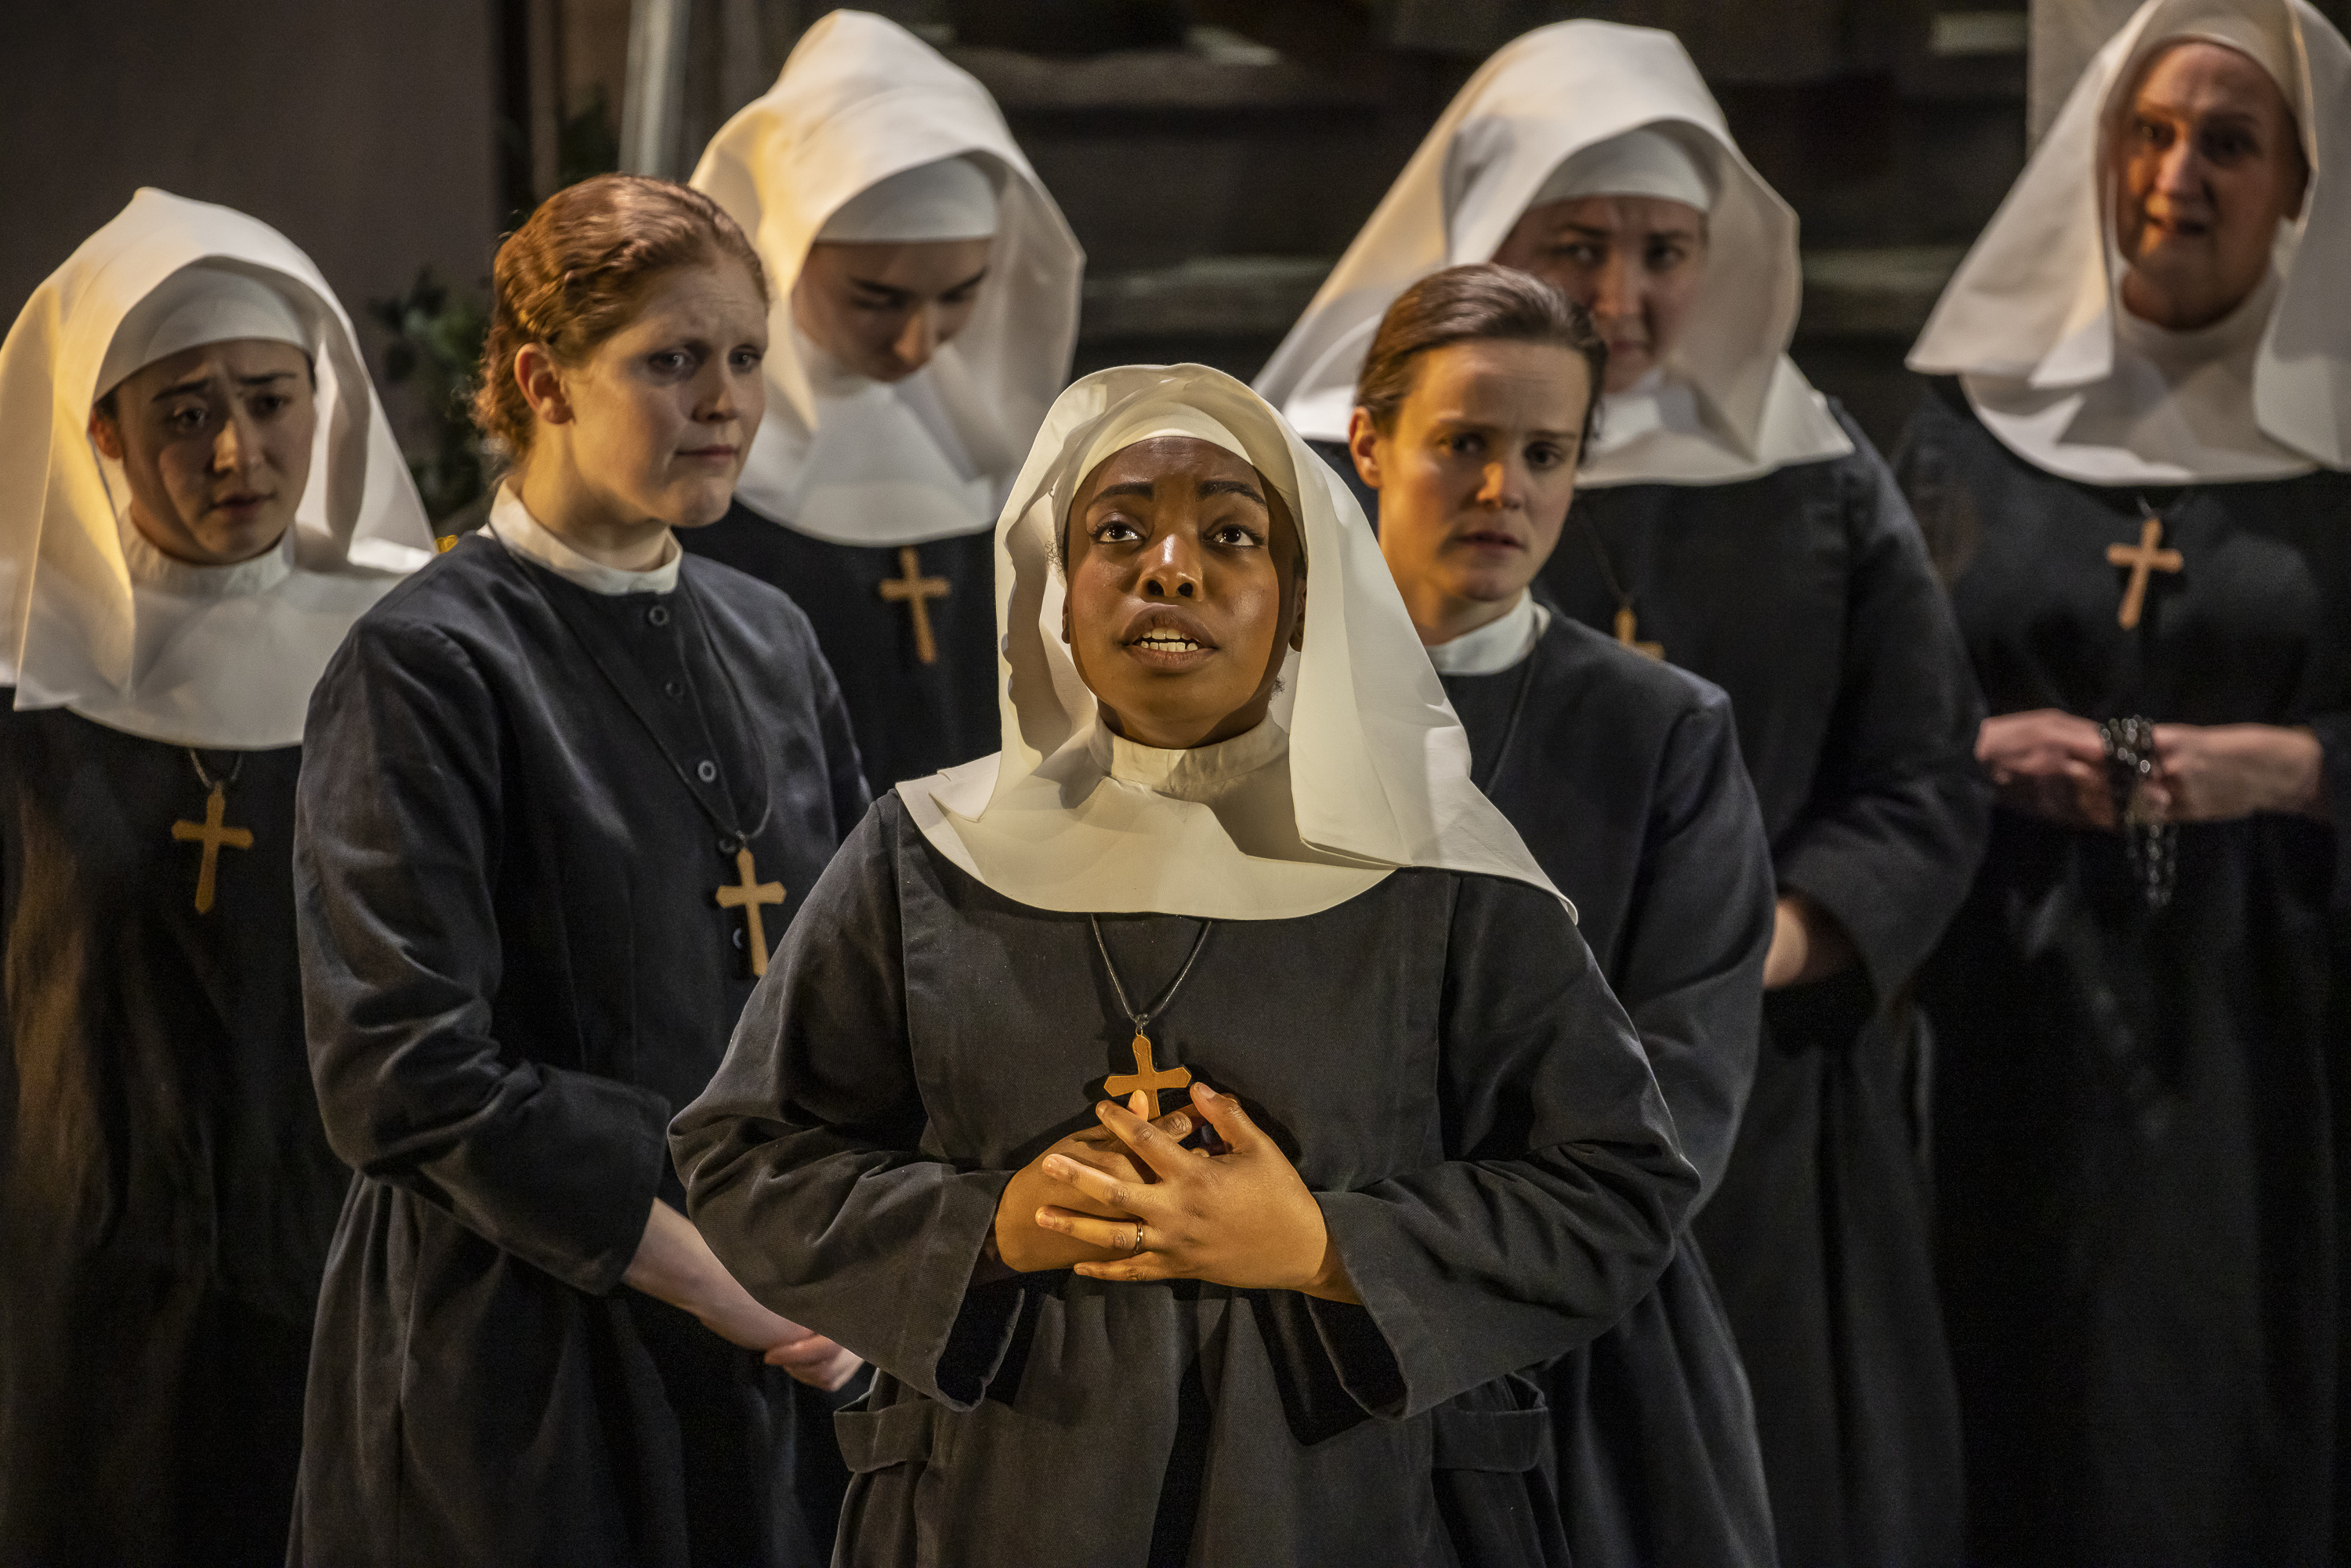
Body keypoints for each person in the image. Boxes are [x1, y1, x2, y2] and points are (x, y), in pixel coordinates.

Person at [670, 362, 1699, 1567]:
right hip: (1000, 1500)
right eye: (1119, 530)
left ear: (1301, 596)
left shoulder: (1440, 870)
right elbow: (744, 1160)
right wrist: (991, 1222)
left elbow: (1618, 1188)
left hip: (1351, 1504)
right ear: (1057, 578)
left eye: (1229, 532)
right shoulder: (927, 855)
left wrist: (1322, 1246)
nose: (1170, 567)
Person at [1259, 24, 1990, 1566]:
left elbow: (1919, 776)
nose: (1622, 296)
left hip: (1752, 1103)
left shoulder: (1818, 469)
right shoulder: (1321, 480)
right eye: (1574, 246)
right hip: (1426, 1118)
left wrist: (1750, 944)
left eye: (1666, 251)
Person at [288, 174, 869, 1567]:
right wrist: (731, 1284)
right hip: (517, 1361)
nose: (724, 400)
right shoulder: (427, 661)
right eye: (672, 361)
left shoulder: (773, 638)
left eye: (742, 357)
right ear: (543, 379)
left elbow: (864, 970)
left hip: (764, 1342)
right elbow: (402, 1074)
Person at [1896, 1, 2351, 1559]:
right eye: (2146, 136)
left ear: (2302, 181)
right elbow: (1874, 713)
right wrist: (1980, 754)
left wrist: (2283, 766)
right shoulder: (1968, 426)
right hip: (2004, 991)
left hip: (2279, 1013)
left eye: (2229, 143)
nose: (2178, 176)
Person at [0, 188, 434, 1566]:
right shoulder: (23, 676)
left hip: (353, 1244)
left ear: (328, 400)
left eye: (270, 397)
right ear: (102, 432)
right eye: (185, 411)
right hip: (84, 1252)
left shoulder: (410, 647)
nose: (239, 449)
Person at [1352, 262, 1777, 1564]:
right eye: (1465, 445)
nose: (1505, 491)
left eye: (1546, 452)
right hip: (1305, 1336)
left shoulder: (1664, 734)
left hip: (1585, 1355)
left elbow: (1677, 1099)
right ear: (1369, 441)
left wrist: (1427, 1256)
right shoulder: (1254, 711)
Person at [682, 9, 1084, 795]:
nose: (916, 343)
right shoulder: (697, 463)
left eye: (960, 296)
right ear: (782, 261)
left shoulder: (1014, 458)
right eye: (876, 298)